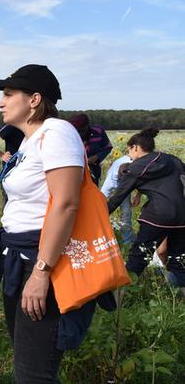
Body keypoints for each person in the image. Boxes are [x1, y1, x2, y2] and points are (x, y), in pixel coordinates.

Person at [0, 64, 88, 384]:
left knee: (35, 381)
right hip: (20, 258)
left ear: (33, 99)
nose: (0, 102)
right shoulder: (31, 140)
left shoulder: (56, 132)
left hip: (42, 261)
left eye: (8, 94)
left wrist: (42, 272)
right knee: (26, 366)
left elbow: (66, 203)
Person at [107, 128, 185, 288]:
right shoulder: (172, 159)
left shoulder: (136, 167)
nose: (129, 156)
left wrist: (98, 216)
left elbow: (117, 197)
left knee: (137, 259)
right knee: (178, 262)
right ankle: (179, 296)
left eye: (129, 150)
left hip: (158, 216)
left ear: (135, 147)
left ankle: (124, 294)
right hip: (182, 216)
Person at [68, 113, 112, 185]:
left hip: (93, 170)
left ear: (88, 126)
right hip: (74, 171)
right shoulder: (69, 134)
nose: (79, 133)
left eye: (82, 130)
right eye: (77, 130)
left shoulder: (98, 132)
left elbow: (107, 147)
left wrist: (96, 157)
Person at [100, 154, 135, 245]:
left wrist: (138, 196)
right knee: (102, 209)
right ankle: (101, 235)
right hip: (119, 181)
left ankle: (127, 240)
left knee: (126, 212)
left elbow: (143, 180)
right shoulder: (112, 179)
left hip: (130, 181)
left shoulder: (136, 167)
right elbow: (102, 195)